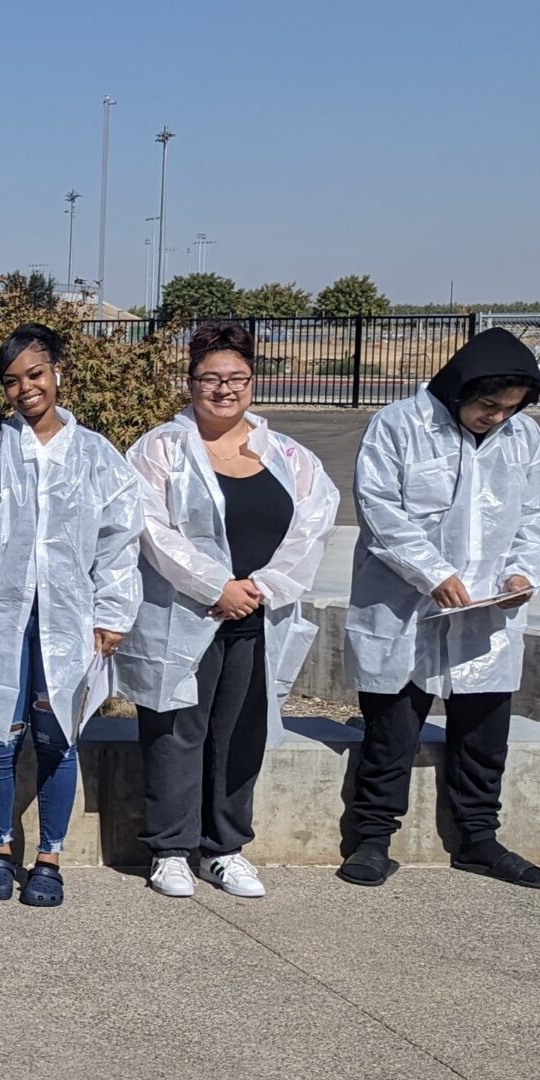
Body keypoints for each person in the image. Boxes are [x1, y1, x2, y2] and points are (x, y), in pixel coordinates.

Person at [0, 325, 142, 908]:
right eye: (12, 380)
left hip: (70, 619)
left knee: (58, 737)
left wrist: (113, 611)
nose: (25, 389)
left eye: (35, 374)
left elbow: (120, 539)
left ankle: (49, 858)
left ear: (57, 373)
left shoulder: (95, 455)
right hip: (3, 617)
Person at [118, 322, 340, 900]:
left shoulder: (288, 455)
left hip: (257, 612)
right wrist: (215, 584)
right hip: (182, 612)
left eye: (236, 378)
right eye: (209, 378)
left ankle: (225, 848)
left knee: (241, 728)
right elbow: (150, 527)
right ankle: (170, 847)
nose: (223, 389)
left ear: (252, 381)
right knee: (175, 728)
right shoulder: (159, 448)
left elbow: (313, 524)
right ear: (190, 383)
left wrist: (262, 585)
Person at [338, 327, 540, 890]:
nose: (497, 418)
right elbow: (382, 512)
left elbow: (539, 513)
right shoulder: (398, 427)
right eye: (489, 405)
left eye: (509, 409)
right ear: (459, 389)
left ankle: (478, 840)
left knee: (484, 731)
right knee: (392, 728)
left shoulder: (525, 438)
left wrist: (522, 571)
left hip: (488, 612)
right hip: (405, 609)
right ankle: (371, 839)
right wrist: (433, 574)